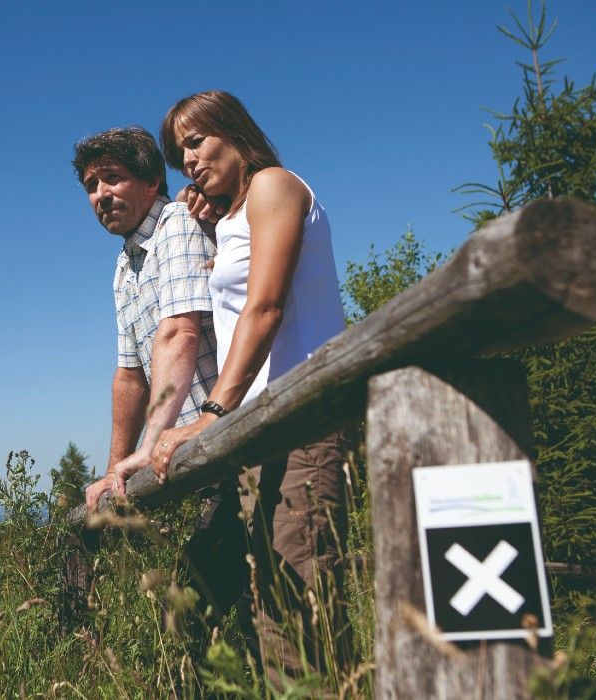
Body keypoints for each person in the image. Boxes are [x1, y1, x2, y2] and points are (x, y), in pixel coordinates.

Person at [153, 90, 353, 689]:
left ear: (234, 132)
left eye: (196, 141)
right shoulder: (237, 214)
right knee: (271, 605)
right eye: (178, 153)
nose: (187, 160)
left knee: (301, 608)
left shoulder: (275, 184)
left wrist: (214, 411)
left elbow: (264, 309)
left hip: (302, 416)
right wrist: (214, 225)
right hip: (263, 427)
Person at [71, 126, 218, 512]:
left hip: (225, 437)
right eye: (91, 185)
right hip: (190, 459)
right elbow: (130, 377)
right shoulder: (125, 266)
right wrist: (112, 471)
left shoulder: (178, 223)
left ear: (152, 182)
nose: (101, 195)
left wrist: (149, 444)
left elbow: (180, 333)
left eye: (113, 178)